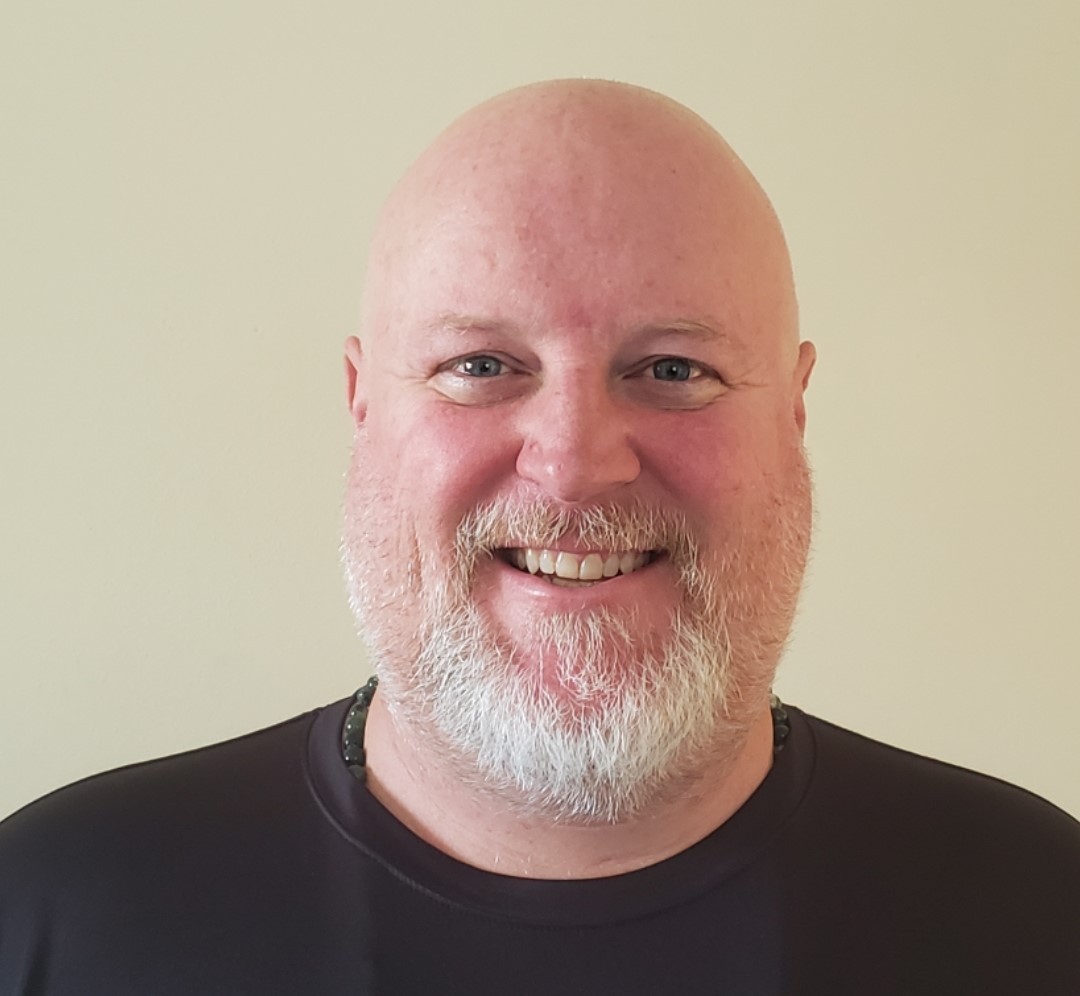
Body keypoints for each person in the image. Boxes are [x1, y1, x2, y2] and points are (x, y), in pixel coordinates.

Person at [1, 79, 1077, 995]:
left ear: (794, 411)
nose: (571, 463)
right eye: (479, 366)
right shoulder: (52, 914)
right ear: (362, 403)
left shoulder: (1036, 914)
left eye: (673, 369)